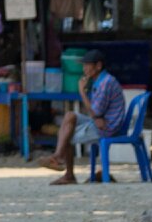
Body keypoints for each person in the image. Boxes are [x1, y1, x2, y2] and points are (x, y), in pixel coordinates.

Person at [41, 49, 127, 185]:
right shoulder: (100, 80)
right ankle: (58, 157)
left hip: (107, 127)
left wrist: (82, 91)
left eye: (87, 65)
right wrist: (96, 117)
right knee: (70, 116)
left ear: (98, 66)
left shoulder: (106, 83)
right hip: (99, 121)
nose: (84, 68)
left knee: (66, 134)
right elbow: (96, 114)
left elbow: (95, 112)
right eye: (83, 65)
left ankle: (66, 171)